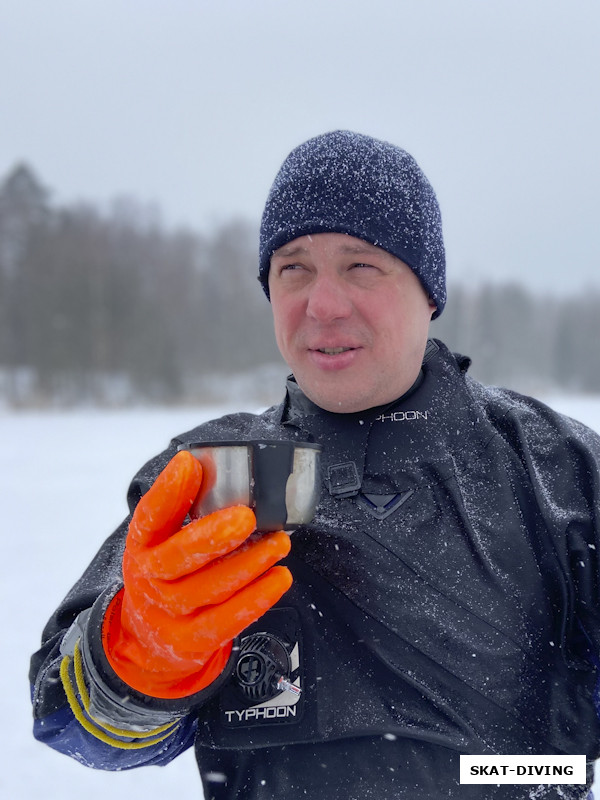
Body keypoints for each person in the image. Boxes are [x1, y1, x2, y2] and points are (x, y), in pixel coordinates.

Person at [30, 131, 600, 799]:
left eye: (361, 266)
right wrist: (137, 656)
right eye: (293, 269)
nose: (323, 304)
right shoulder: (212, 479)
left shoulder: (556, 471)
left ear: (428, 291)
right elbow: (68, 722)